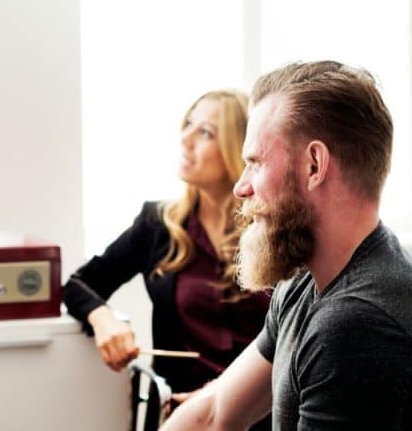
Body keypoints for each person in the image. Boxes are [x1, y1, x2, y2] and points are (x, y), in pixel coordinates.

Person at [163, 61, 412, 430]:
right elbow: (214, 412)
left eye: (256, 163)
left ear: (314, 165)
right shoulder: (304, 283)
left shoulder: (355, 326)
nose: (241, 187)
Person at [62, 89, 271, 430]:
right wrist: (104, 319)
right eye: (187, 124)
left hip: (264, 416)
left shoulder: (272, 230)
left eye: (205, 132)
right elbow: (77, 284)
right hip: (183, 418)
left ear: (238, 148)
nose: (185, 138)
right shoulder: (157, 224)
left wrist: (222, 399)